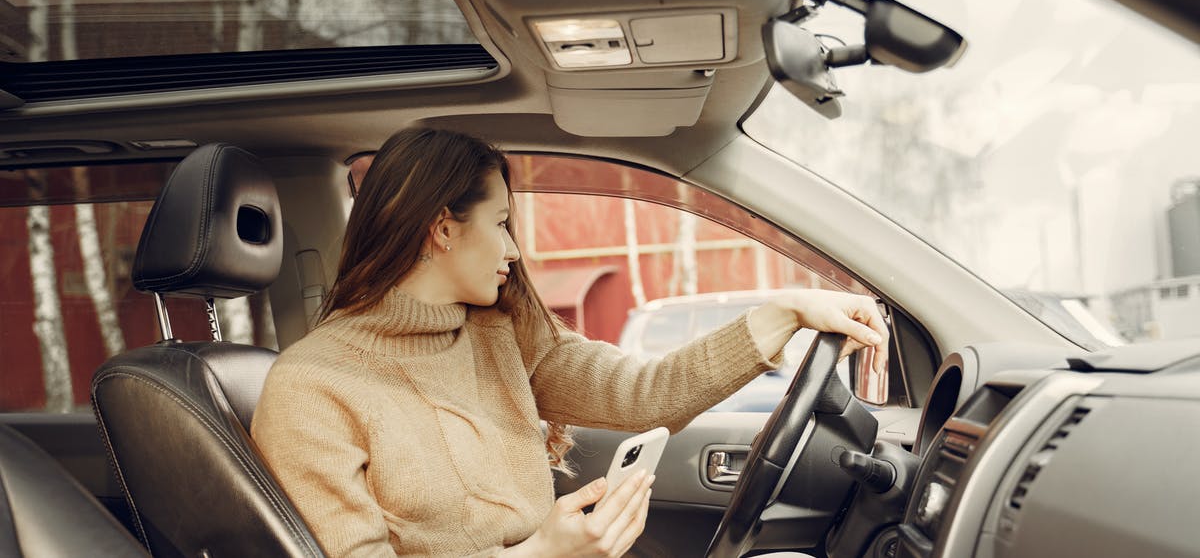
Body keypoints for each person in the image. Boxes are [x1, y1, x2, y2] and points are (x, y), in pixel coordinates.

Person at [251, 128, 890, 557]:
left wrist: (785, 313)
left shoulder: (501, 331)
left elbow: (647, 395)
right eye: (500, 224)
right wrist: (540, 555)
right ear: (442, 229)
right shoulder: (311, 389)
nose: (513, 250)